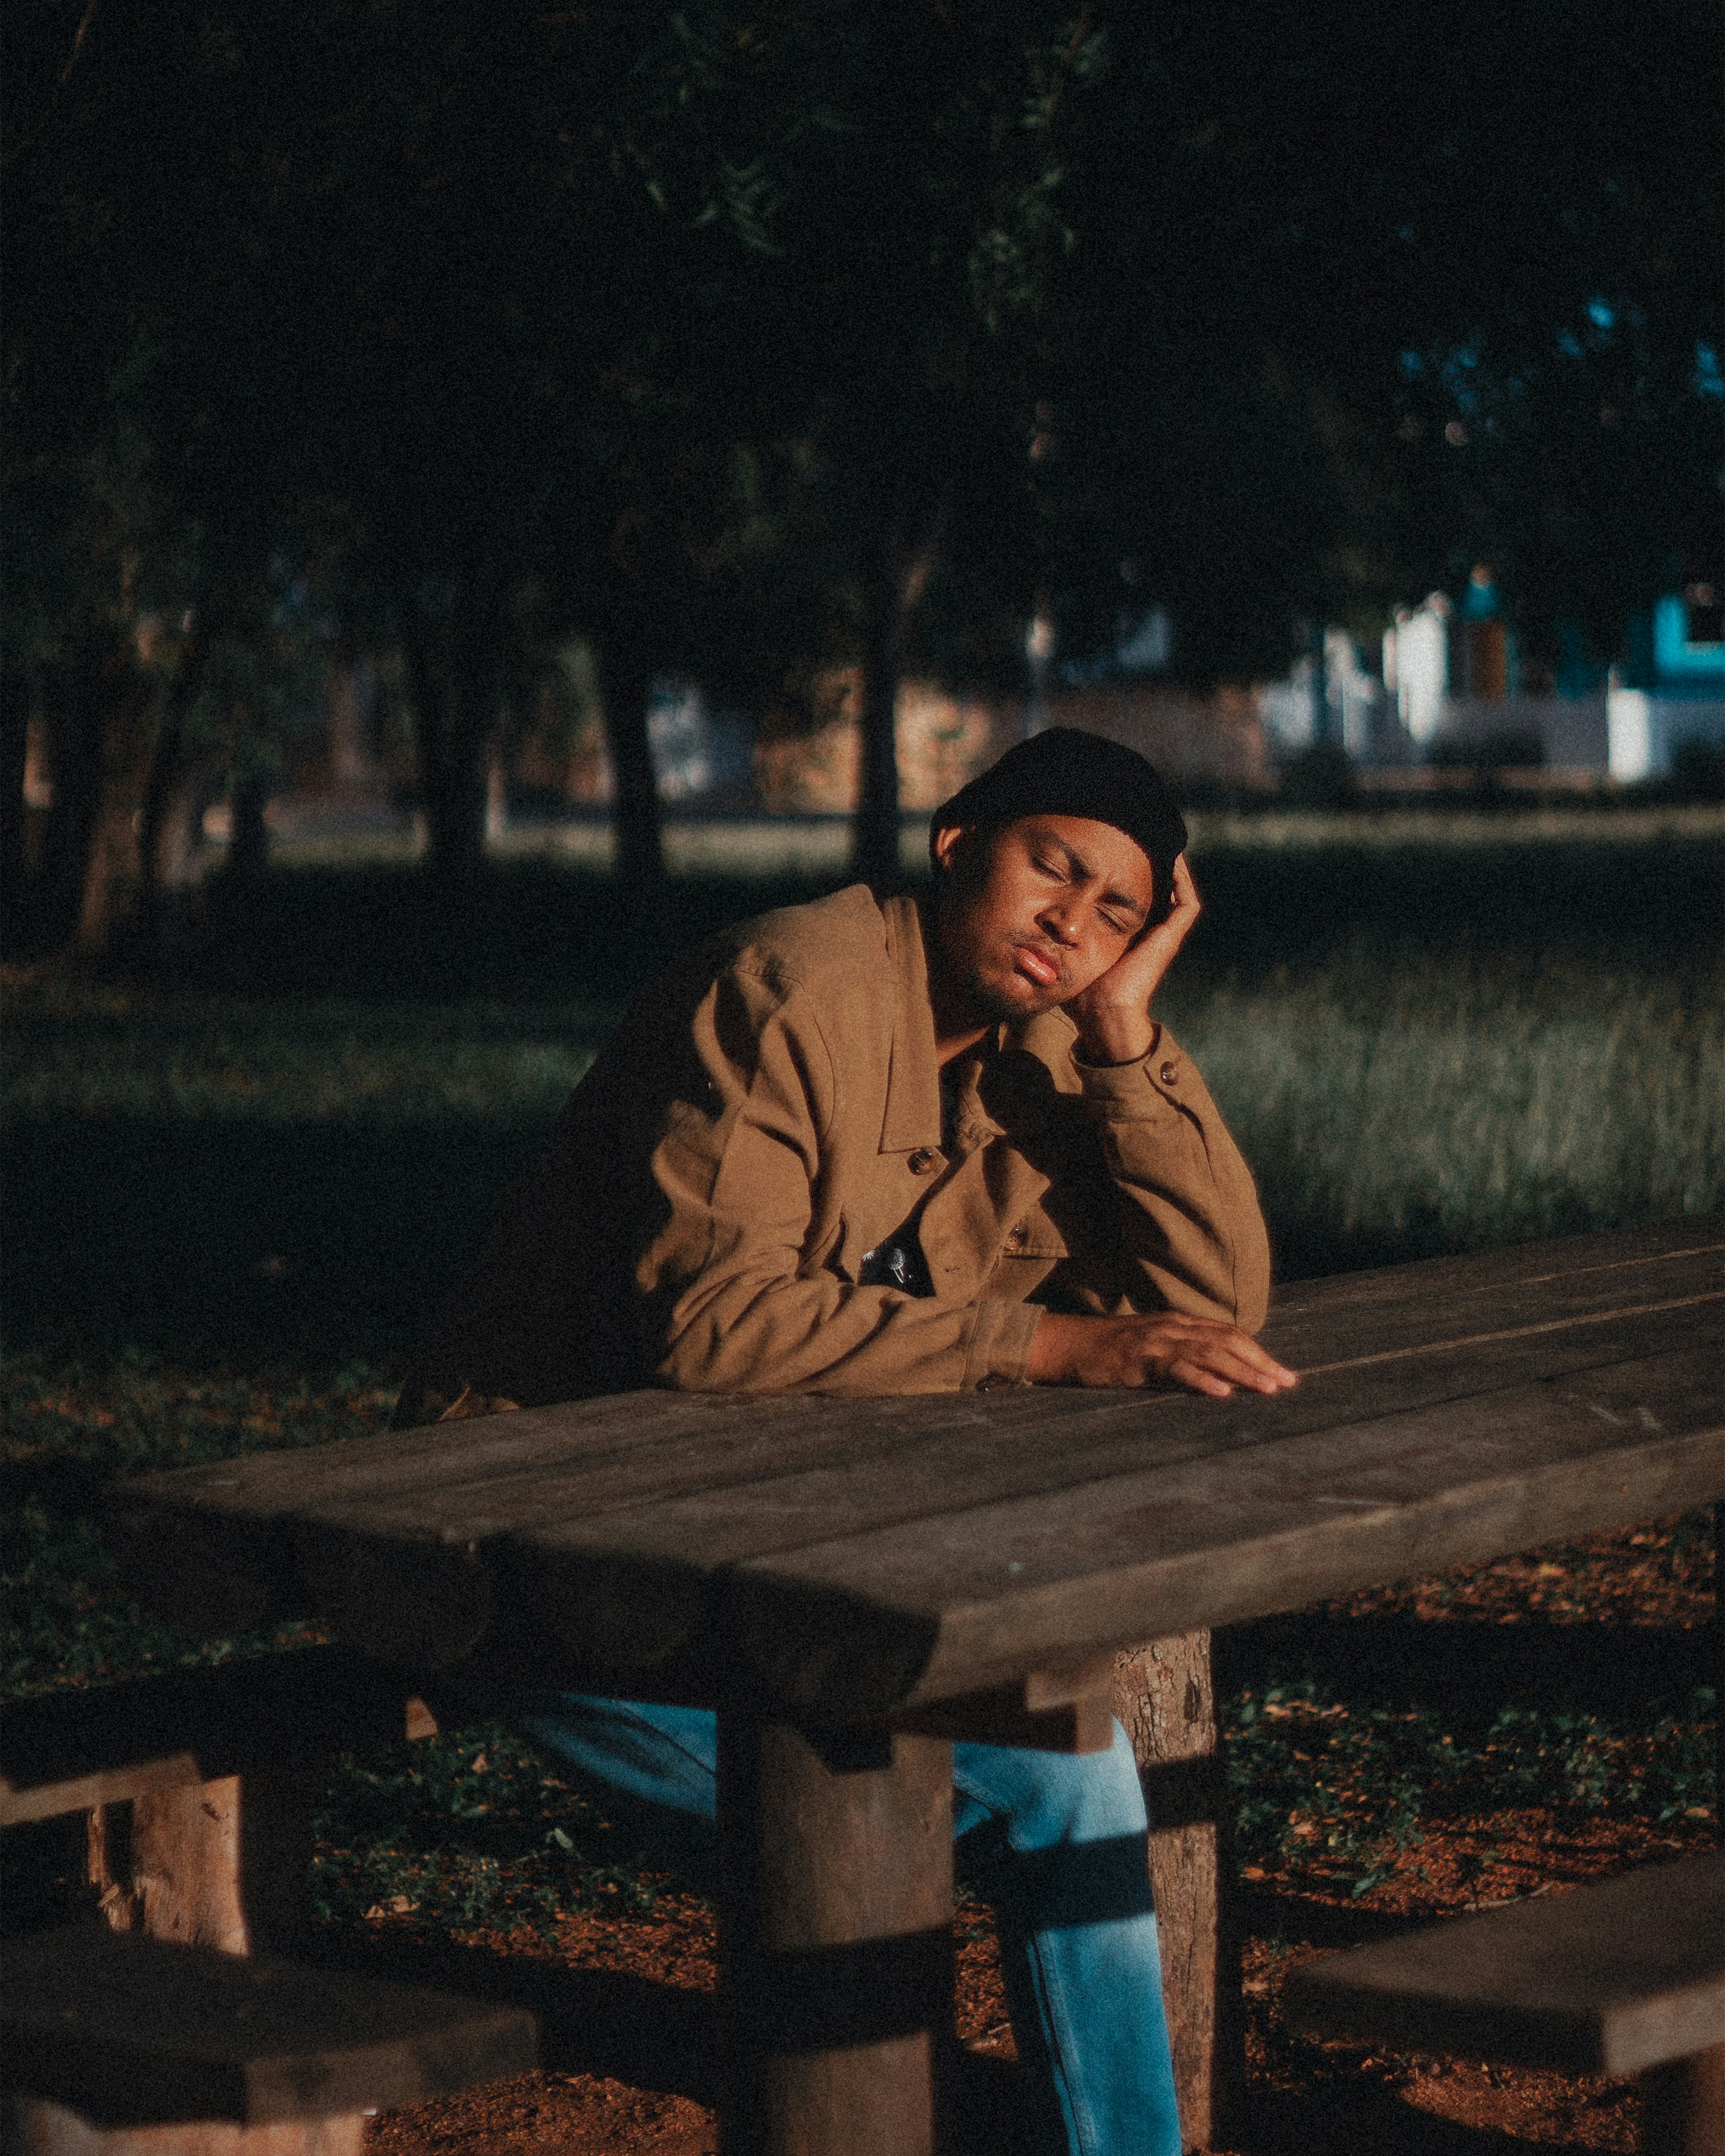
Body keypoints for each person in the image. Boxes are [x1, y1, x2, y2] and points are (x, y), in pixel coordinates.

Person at [398, 726, 1295, 2156]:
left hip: (741, 1542)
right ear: (956, 845)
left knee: (1065, 1773)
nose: (1073, 925)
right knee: (932, 1812)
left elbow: (1208, 1307)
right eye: (1052, 870)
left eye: (1117, 910)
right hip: (512, 1546)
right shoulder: (793, 985)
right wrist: (1041, 1342)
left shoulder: (1048, 1043)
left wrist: (1129, 1029)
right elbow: (712, 1327)